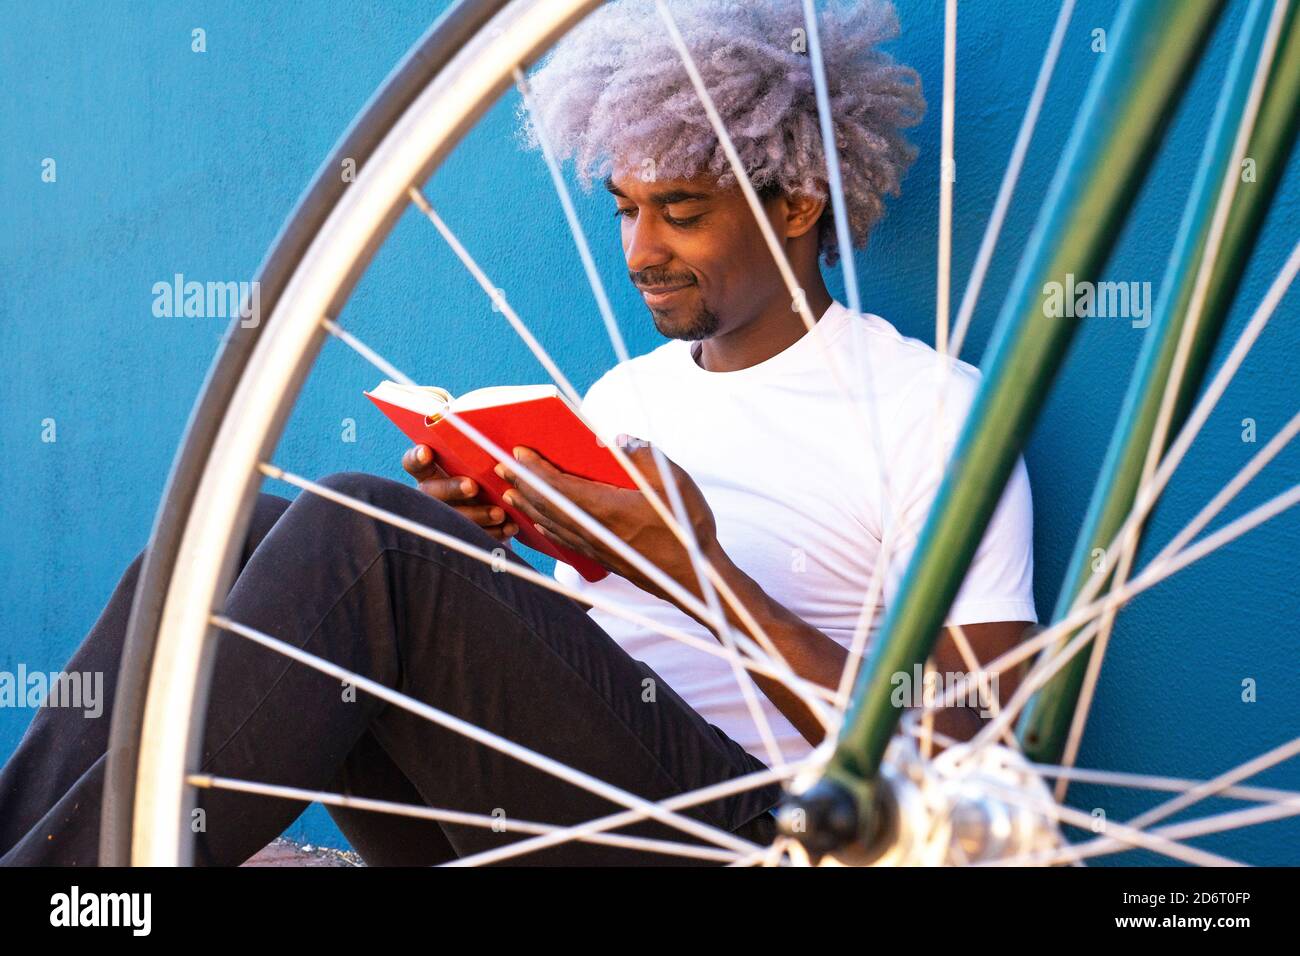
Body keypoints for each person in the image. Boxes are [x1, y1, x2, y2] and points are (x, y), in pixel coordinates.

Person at [0, 0, 1035, 866]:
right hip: (536, 813)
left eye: (680, 208)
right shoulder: (627, 398)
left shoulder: (929, 408)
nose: (640, 251)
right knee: (219, 542)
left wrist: (701, 572)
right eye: (623, 209)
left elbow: (974, 747)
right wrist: (490, 534)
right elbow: (572, 671)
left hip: (767, 836)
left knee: (366, 535)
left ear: (799, 201)